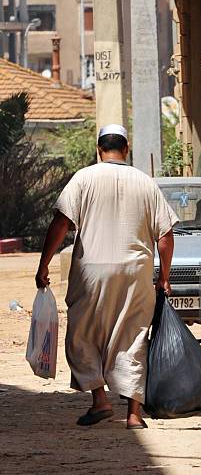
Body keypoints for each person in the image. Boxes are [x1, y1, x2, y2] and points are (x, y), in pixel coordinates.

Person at [35, 124, 178, 429]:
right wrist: (164, 276)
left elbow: (60, 223)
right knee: (134, 336)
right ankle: (134, 414)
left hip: (91, 271)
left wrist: (43, 264)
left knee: (83, 334)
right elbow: (165, 235)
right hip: (135, 272)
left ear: (99, 149)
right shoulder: (145, 182)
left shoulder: (83, 178)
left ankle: (100, 400)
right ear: (127, 149)